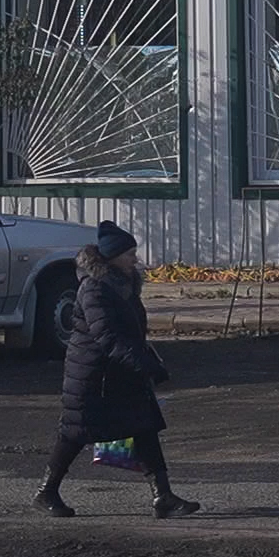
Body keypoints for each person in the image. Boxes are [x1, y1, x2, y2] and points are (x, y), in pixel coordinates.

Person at [37, 220, 193, 518]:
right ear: (110, 257)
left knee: (144, 427)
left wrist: (144, 361)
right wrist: (145, 365)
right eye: (129, 253)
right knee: (74, 432)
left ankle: (164, 497)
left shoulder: (124, 284)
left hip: (120, 372)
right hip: (93, 374)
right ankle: (46, 492)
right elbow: (108, 337)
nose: (135, 258)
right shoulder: (94, 289)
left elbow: (130, 332)